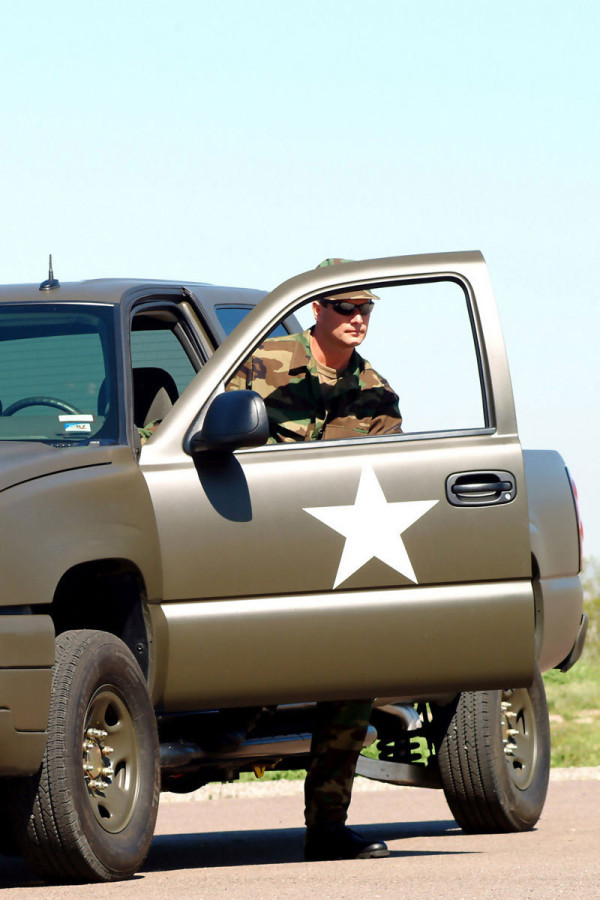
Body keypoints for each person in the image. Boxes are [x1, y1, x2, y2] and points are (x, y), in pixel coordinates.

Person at [225, 258, 399, 861]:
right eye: (346, 308)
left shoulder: (377, 392)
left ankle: (327, 827)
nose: (358, 320)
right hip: (257, 547)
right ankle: (229, 729)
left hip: (340, 554)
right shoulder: (261, 365)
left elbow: (384, 477)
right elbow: (205, 434)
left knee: (354, 677)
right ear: (317, 309)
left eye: (366, 310)